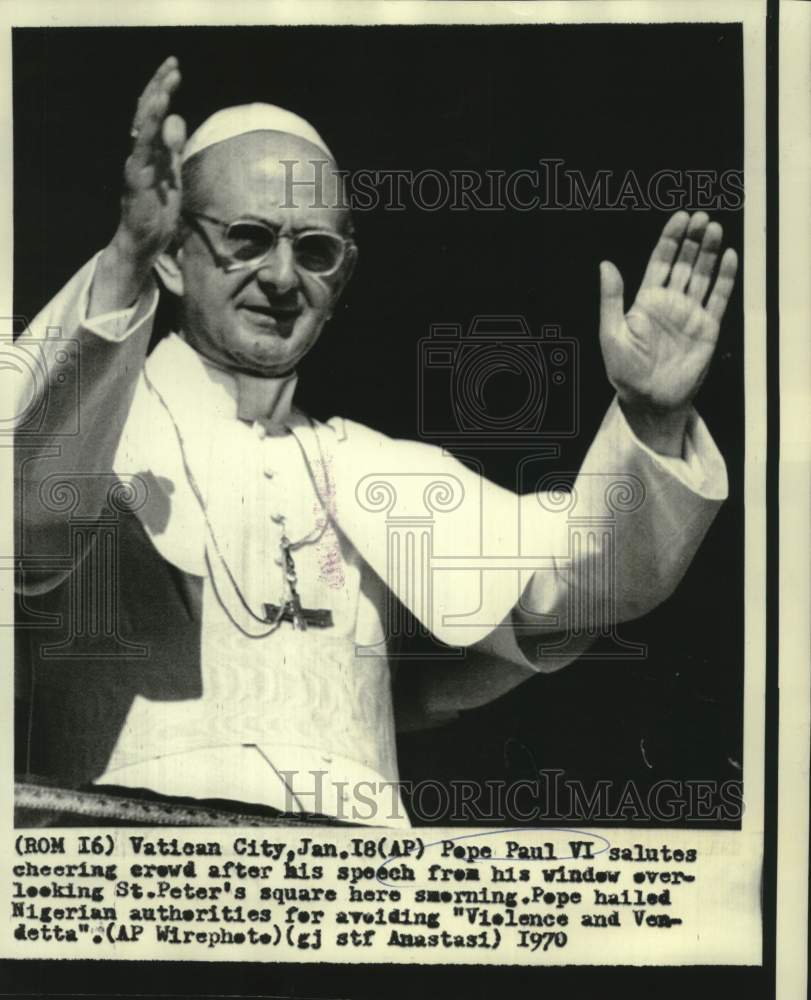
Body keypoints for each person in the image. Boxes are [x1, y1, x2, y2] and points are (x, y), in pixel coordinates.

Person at [13, 57, 737, 827]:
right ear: (170, 253)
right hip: (135, 881)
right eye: (247, 239)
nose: (282, 277)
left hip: (358, 893)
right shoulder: (90, 425)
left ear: (344, 276)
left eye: (315, 250)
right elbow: (23, 512)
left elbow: (579, 582)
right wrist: (121, 268)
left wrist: (650, 419)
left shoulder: (376, 468)